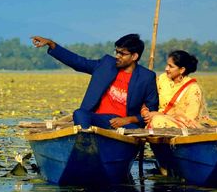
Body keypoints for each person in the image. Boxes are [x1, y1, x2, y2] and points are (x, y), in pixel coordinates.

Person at [31, 33, 159, 129]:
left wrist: (128, 120)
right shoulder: (106, 65)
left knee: (131, 130)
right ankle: (87, 145)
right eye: (117, 52)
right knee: (80, 114)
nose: (117, 56)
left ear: (134, 56)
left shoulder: (146, 77)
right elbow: (78, 62)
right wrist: (52, 44)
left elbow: (151, 111)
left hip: (124, 124)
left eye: (122, 54)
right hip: (97, 119)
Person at [141, 50, 208, 129]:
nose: (166, 68)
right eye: (167, 65)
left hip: (183, 125)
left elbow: (190, 118)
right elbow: (148, 97)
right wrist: (145, 112)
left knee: (158, 120)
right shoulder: (162, 79)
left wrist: (159, 115)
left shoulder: (193, 88)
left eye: (171, 66)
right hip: (156, 118)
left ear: (182, 70)